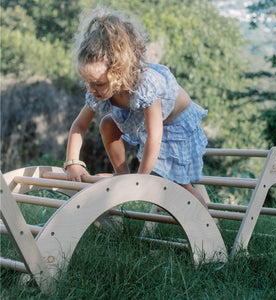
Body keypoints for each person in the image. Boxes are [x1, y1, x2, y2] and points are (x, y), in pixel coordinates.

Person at [65, 8, 208, 208]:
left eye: (97, 83)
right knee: (108, 124)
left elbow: (154, 136)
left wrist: (141, 180)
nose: (91, 89)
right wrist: (72, 162)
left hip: (175, 123)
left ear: (118, 74)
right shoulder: (98, 90)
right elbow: (79, 126)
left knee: (177, 183)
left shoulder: (145, 86)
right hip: (145, 121)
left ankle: (208, 225)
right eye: (87, 82)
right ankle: (122, 175)